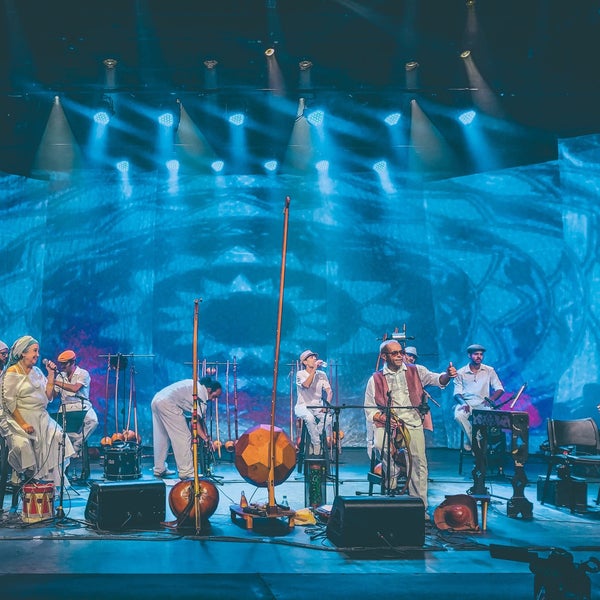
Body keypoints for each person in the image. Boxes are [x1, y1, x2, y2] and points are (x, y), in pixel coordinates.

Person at [364, 340, 456, 513]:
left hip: (412, 420)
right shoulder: (375, 379)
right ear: (384, 356)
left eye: (401, 352)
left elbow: (438, 380)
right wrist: (382, 417)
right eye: (395, 353)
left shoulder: (416, 370)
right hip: (388, 421)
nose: (400, 356)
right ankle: (392, 477)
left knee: (418, 461)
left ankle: (419, 506)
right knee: (379, 445)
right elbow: (369, 407)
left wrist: (448, 375)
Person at [0, 335, 75, 488]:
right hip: (19, 419)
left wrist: (51, 374)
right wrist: (23, 424)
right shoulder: (12, 373)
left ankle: (49, 484)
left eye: (38, 351)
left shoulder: (37, 371)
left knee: (59, 437)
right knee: (24, 446)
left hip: (41, 417)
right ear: (23, 353)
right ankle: (30, 478)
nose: (38, 355)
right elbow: (10, 403)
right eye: (34, 351)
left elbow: (49, 395)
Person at [151, 377, 222, 479]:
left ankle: (159, 469)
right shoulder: (201, 394)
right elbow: (196, 423)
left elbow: (200, 420)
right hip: (167, 404)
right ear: (209, 389)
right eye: (215, 396)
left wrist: (205, 435)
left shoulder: (195, 385)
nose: (214, 399)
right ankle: (186, 472)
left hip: (156, 400)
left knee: (162, 436)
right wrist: (206, 439)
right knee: (183, 437)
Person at [453, 344, 504, 451]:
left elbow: (499, 388)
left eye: (481, 354)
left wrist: (491, 400)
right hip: (467, 403)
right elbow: (457, 393)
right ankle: (475, 441)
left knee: (491, 416)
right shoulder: (461, 372)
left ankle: (473, 443)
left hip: (483, 403)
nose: (479, 356)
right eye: (476, 354)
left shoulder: (489, 370)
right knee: (458, 416)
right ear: (469, 355)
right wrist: (463, 403)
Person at [52, 349, 98, 456]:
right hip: (66, 407)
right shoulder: (60, 376)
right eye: (61, 364)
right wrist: (49, 381)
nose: (62, 367)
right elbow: (53, 395)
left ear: (73, 362)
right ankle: (69, 448)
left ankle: (77, 445)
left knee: (93, 421)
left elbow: (75, 388)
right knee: (58, 430)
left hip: (81, 405)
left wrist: (55, 382)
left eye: (65, 364)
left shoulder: (83, 373)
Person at [295, 350, 333, 456]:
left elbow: (329, 391)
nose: (315, 359)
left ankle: (314, 438)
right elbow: (306, 385)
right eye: (311, 358)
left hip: (317, 406)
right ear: (305, 362)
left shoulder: (322, 374)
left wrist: (327, 405)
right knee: (310, 418)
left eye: (315, 357)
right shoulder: (300, 374)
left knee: (329, 417)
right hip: (303, 406)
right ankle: (317, 444)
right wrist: (314, 369)